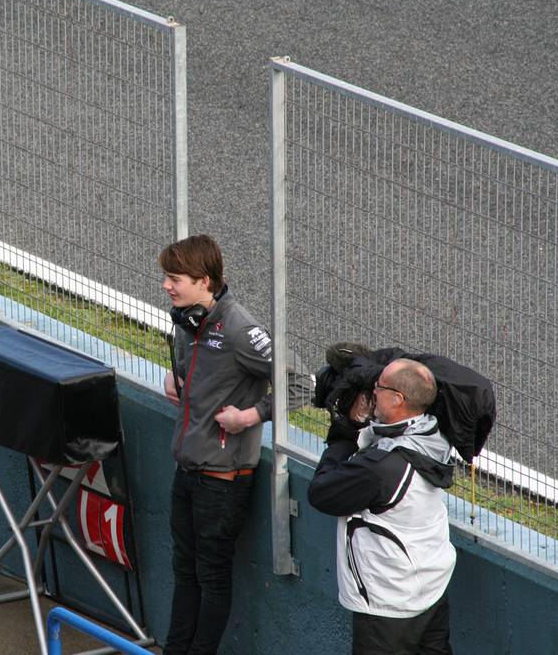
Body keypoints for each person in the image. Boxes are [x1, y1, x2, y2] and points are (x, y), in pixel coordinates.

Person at [159, 234, 311, 655]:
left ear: (204, 281)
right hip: (187, 470)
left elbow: (302, 384)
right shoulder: (186, 320)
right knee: (184, 570)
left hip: (223, 481)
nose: (167, 286)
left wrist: (250, 416)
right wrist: (175, 376)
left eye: (175, 279)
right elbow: (194, 370)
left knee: (210, 575)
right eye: (166, 278)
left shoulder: (241, 329)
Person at [308, 358, 456, 655]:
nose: (373, 392)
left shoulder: (380, 468)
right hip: (431, 586)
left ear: (398, 399)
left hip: (388, 602)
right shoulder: (433, 435)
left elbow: (321, 493)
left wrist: (345, 429)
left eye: (379, 387)